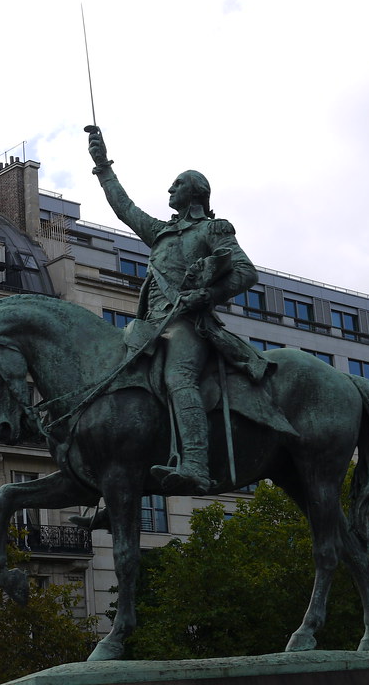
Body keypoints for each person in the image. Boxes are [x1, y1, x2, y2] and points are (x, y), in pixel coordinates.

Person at [86, 125, 264, 494]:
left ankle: (196, 464)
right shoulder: (160, 233)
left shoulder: (213, 230)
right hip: (149, 326)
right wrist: (103, 167)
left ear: (195, 192)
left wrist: (207, 294)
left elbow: (247, 273)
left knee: (178, 380)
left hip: (187, 325)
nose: (170, 190)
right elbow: (125, 208)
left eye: (177, 184)